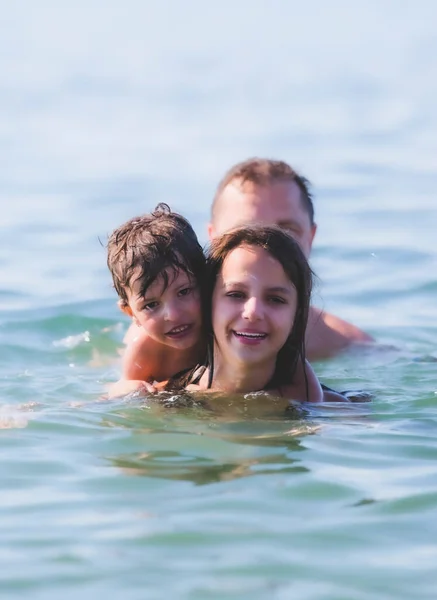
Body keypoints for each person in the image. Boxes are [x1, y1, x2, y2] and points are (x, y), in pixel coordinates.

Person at [208, 158, 374, 360]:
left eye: (286, 231)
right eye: (247, 232)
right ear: (214, 240)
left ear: (310, 238)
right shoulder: (174, 330)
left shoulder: (351, 348)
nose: (267, 249)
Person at [169, 225, 347, 403]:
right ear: (208, 304)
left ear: (296, 315)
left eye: (275, 299)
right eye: (236, 295)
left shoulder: (334, 414)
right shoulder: (161, 399)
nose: (253, 312)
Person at [106, 203, 206, 398]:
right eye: (151, 305)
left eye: (184, 292)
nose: (173, 315)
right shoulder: (145, 350)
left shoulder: (222, 325)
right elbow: (116, 396)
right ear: (131, 313)